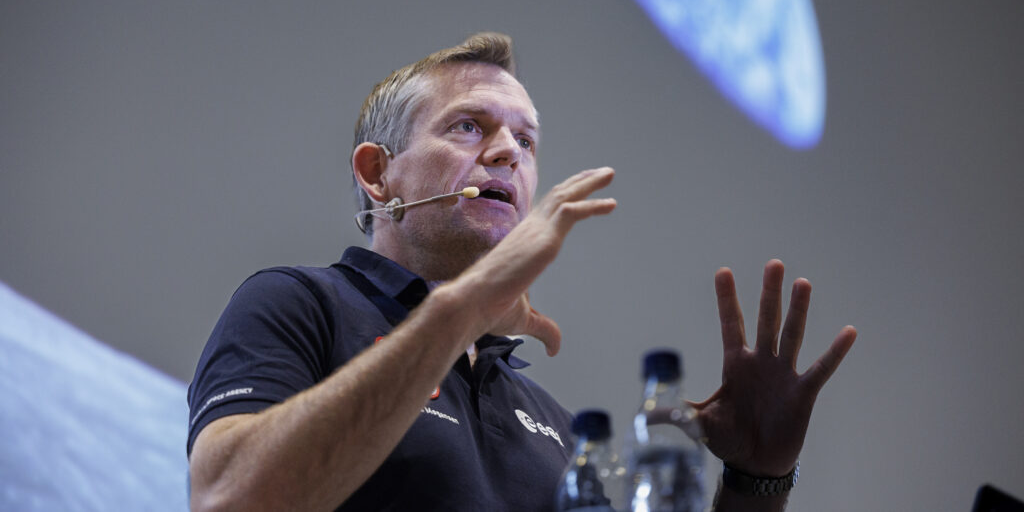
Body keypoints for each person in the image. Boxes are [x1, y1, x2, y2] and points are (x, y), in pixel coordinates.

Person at [186, 33, 857, 512]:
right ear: (377, 172)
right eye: (469, 127)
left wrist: (755, 481)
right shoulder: (296, 305)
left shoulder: (557, 427)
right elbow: (231, 498)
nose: (508, 152)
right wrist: (466, 306)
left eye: (527, 140)